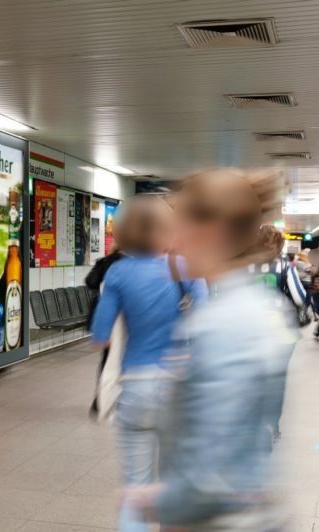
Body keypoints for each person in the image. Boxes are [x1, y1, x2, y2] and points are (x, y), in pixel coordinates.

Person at [126, 168, 296, 530]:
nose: (172, 242)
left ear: (210, 231)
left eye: (179, 226)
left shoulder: (224, 324)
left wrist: (159, 502)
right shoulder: (257, 307)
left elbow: (212, 477)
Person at [90, 195, 208, 532]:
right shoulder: (183, 267)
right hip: (176, 385)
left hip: (136, 388)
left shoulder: (116, 273)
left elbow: (101, 335)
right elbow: (205, 313)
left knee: (136, 488)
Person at [85, 245, 126, 418]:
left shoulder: (104, 262)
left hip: (104, 315)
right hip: (122, 318)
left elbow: (90, 282)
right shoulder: (130, 264)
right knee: (121, 357)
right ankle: (117, 397)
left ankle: (99, 398)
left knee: (106, 359)